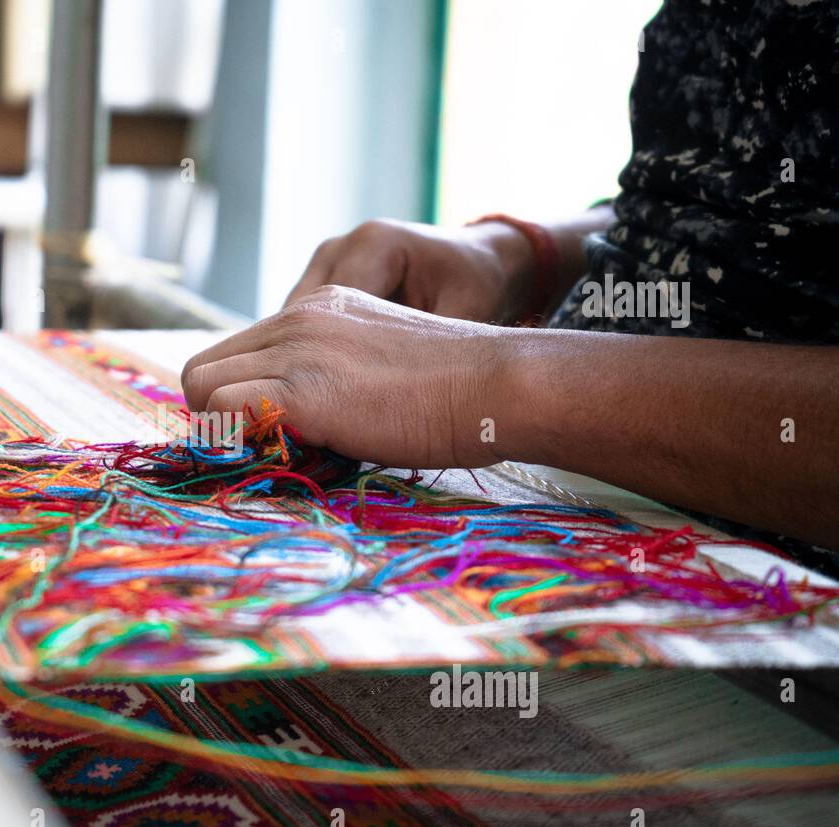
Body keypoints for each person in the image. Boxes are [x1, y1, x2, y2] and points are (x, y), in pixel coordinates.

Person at [182, 0, 839, 566]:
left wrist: (496, 378)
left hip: (772, 605)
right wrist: (520, 258)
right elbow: (742, 216)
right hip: (591, 508)